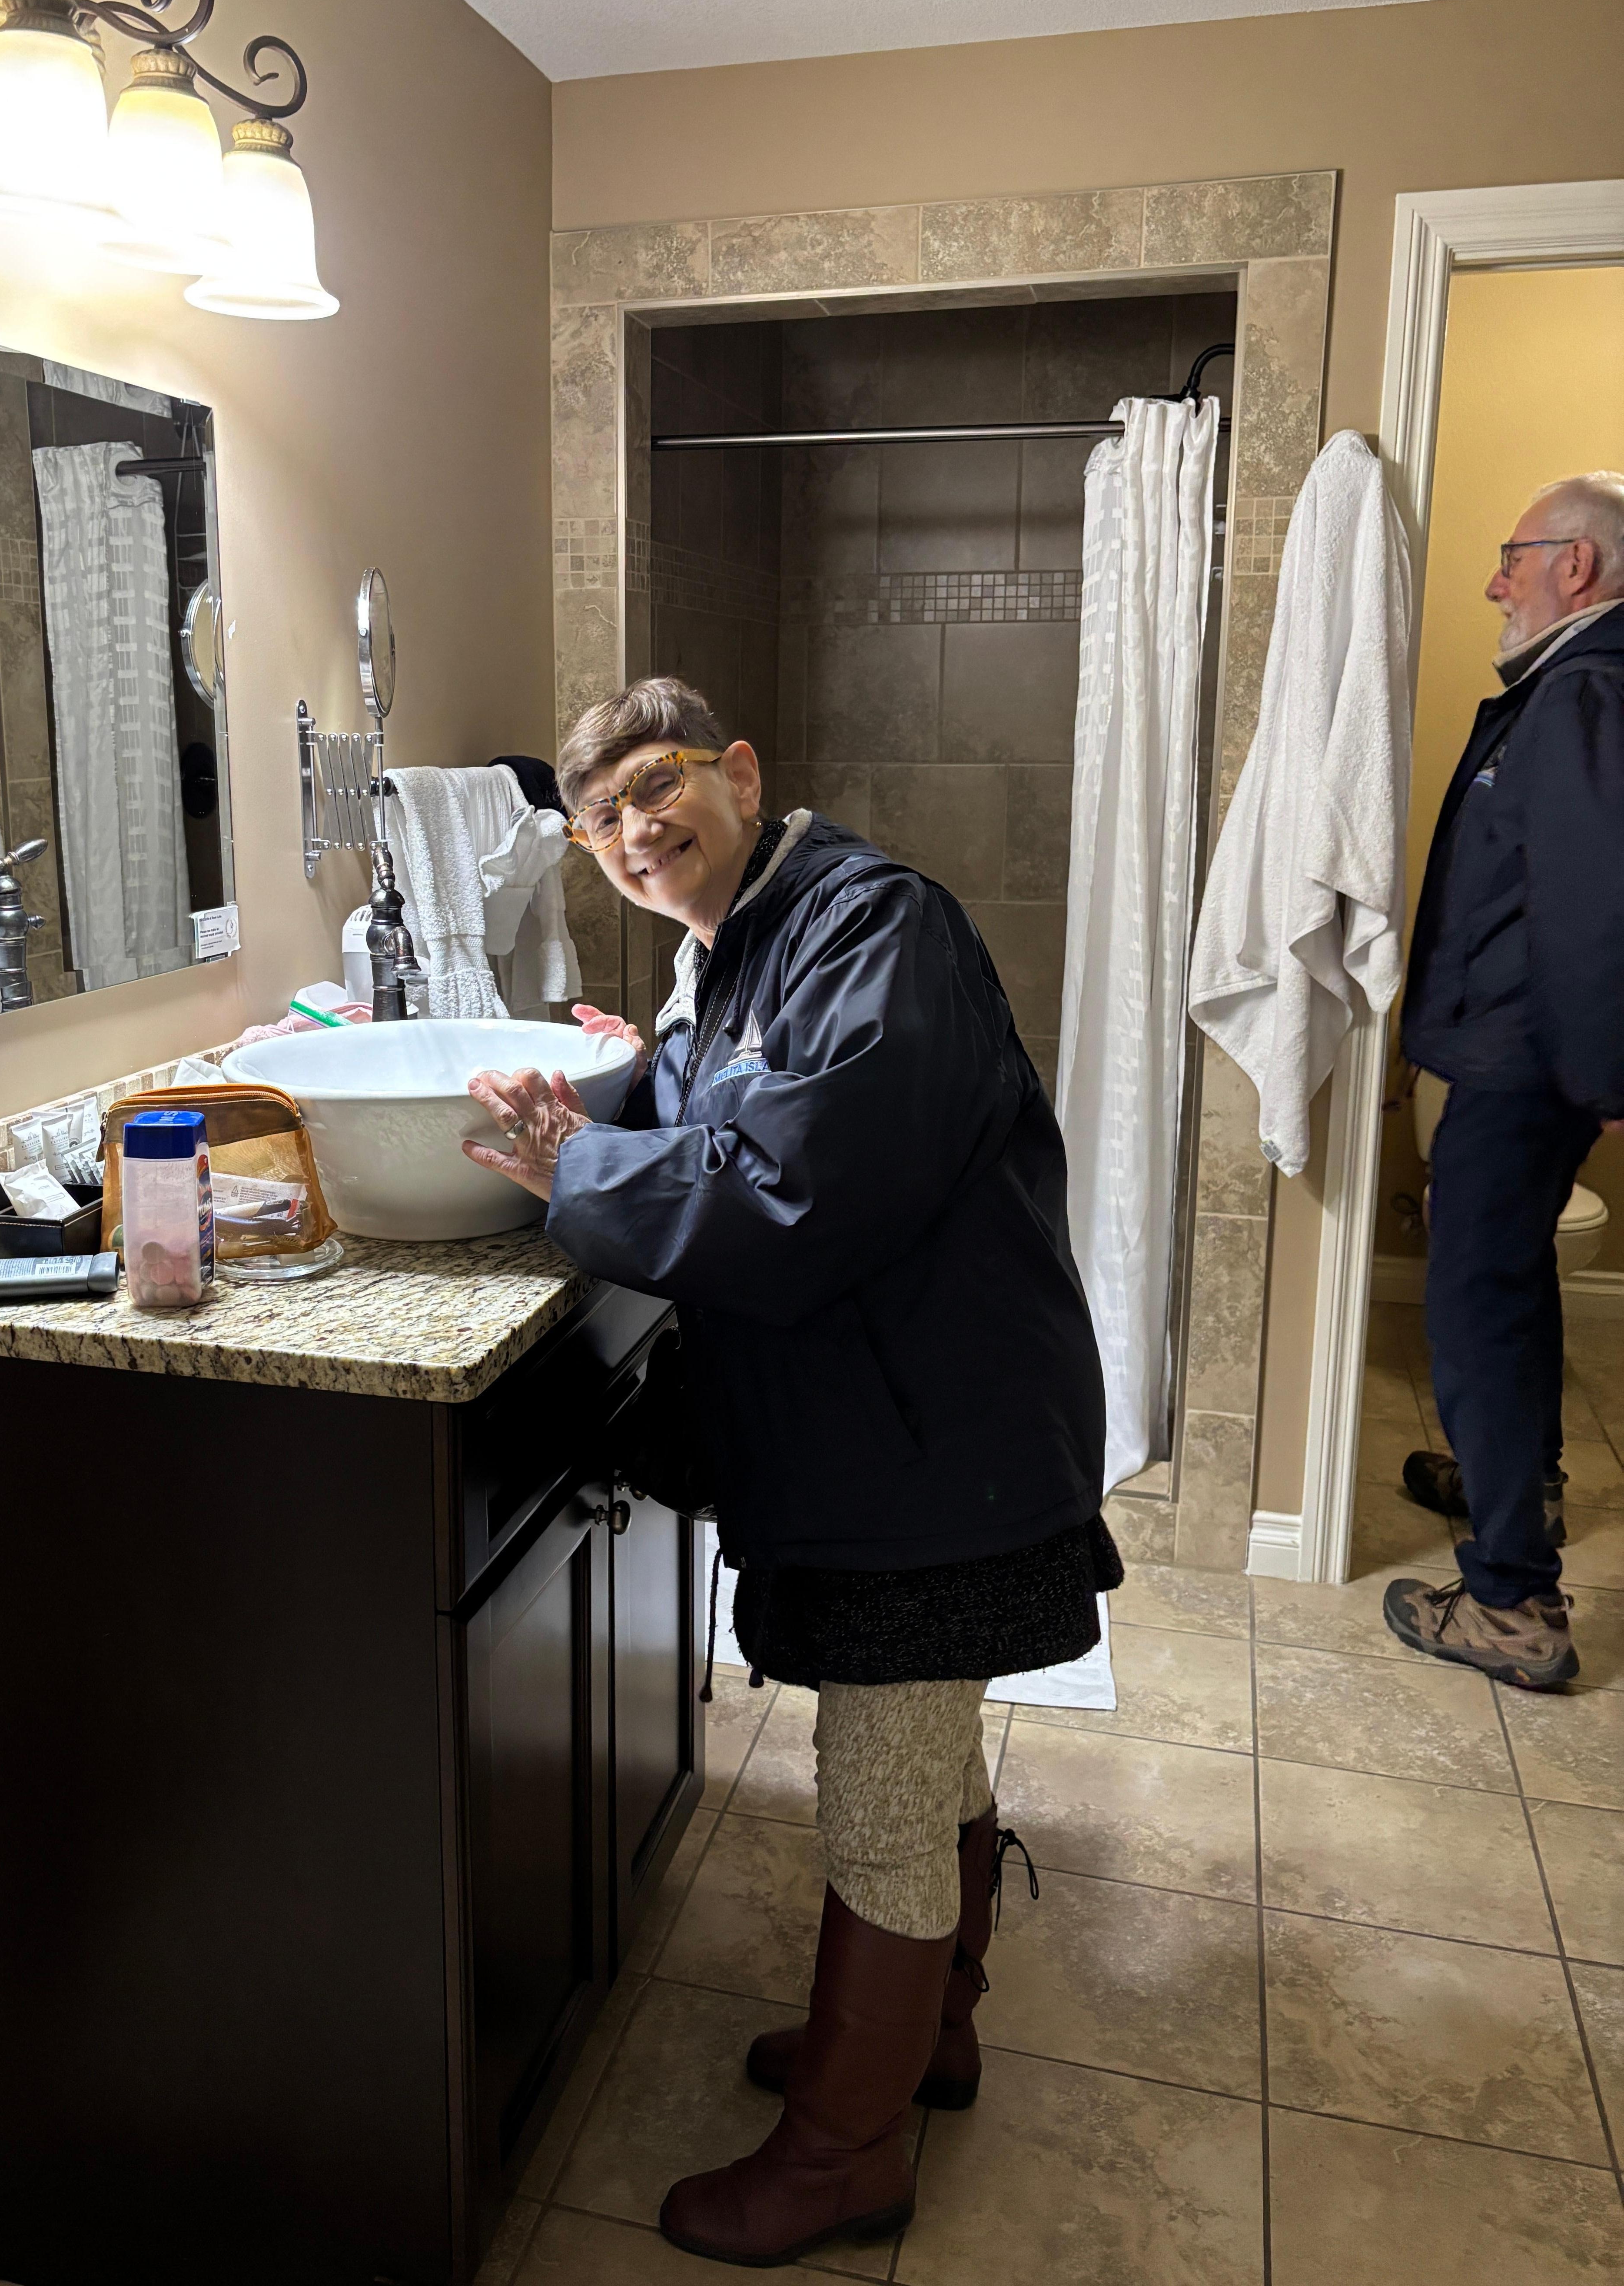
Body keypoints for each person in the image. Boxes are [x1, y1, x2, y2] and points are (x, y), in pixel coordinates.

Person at [461, 677, 1114, 2269]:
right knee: (929, 1748)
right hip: (905, 1433)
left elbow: (788, 1195)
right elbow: (738, 1117)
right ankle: (927, 2032)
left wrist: (577, 1169)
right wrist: (620, 1104)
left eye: (660, 785)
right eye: (603, 817)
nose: (634, 831)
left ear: (741, 773)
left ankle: (842, 2157)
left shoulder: (869, 925)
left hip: (922, 1450)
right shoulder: (746, 940)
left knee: (880, 1800)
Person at [1388, 473, 1624, 1689]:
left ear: (1573, 568)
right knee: (1509, 1275)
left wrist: (1587, 1084)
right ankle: (1513, 1481)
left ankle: (1510, 1606)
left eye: (1509, 556)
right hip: (1526, 1061)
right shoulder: (1571, 689)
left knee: (1472, 1305)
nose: (1494, 580)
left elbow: (1589, 913)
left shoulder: (1582, 693)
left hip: (1523, 1066)